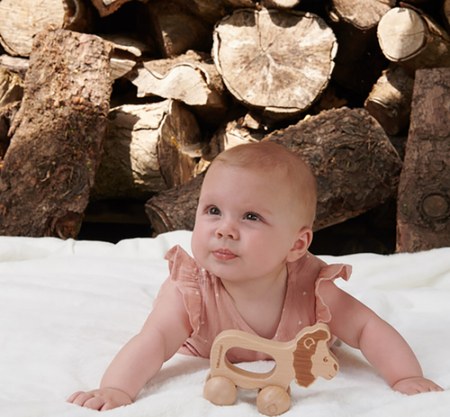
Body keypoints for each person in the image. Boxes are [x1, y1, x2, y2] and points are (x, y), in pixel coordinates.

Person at [68, 141, 443, 411]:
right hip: (206, 348)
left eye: (251, 217)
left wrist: (405, 377)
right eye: (213, 210)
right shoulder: (190, 289)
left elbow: (367, 329)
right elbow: (154, 340)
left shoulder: (312, 288)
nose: (225, 230)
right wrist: (116, 389)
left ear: (297, 245)